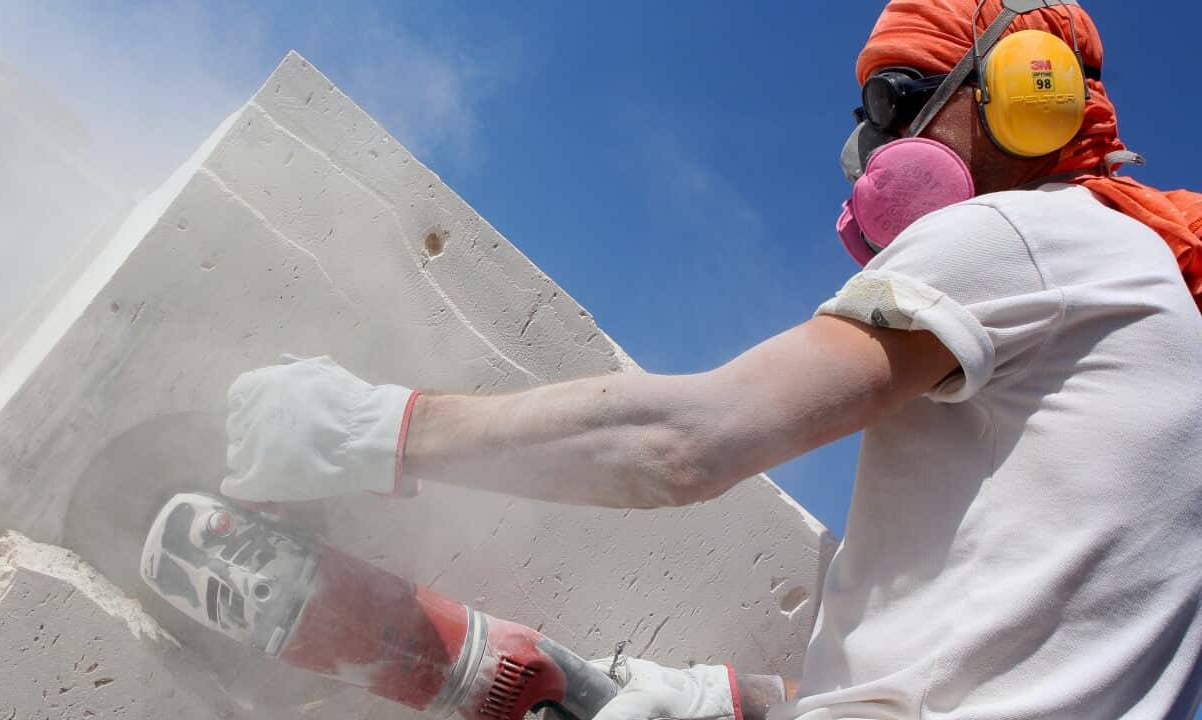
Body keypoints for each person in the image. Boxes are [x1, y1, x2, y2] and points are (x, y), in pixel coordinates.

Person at [221, 1, 1202, 718]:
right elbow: (981, 670)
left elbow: (678, 444)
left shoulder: (1026, 237)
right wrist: (723, 700)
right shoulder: (1142, 309)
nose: (882, 146)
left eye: (899, 101)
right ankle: (516, 676)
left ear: (1028, 89)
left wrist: (375, 429)